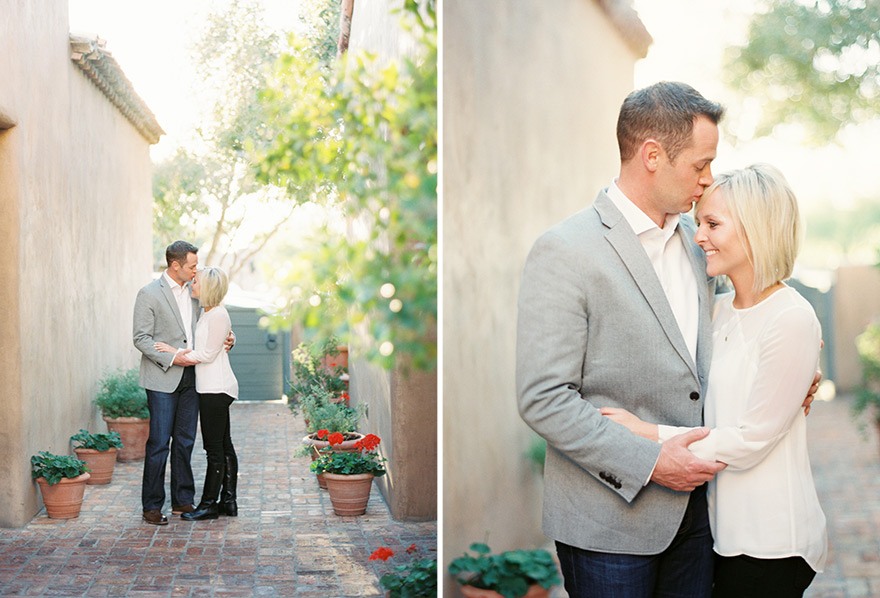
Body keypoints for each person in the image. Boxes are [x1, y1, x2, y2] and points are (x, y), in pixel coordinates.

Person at [516, 82, 818, 598]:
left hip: (702, 525)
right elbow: (543, 399)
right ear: (652, 155)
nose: (707, 181)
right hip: (608, 526)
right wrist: (652, 460)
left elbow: (746, 329)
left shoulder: (701, 245)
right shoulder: (564, 251)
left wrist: (789, 378)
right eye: (700, 166)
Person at [602, 164, 827, 597]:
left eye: (712, 224)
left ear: (757, 229)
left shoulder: (792, 316)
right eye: (698, 222)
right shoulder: (717, 311)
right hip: (723, 536)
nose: (698, 235)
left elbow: (749, 441)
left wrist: (646, 433)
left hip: (772, 543)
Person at [155, 266, 239, 521]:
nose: (193, 284)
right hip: (212, 387)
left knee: (214, 449)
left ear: (209, 287)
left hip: (216, 388)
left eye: (197, 282)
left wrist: (173, 353)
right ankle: (228, 501)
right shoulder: (209, 313)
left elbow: (206, 355)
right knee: (224, 446)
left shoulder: (217, 316)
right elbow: (209, 345)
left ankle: (209, 504)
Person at [133, 241, 203, 525]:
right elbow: (140, 339)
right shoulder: (149, 294)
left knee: (185, 442)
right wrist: (174, 358)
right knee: (159, 443)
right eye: (192, 265)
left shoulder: (198, 292)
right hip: (163, 377)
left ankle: (182, 501)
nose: (196, 270)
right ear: (175, 265)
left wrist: (229, 337)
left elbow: (209, 324)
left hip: (194, 376)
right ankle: (151, 506)